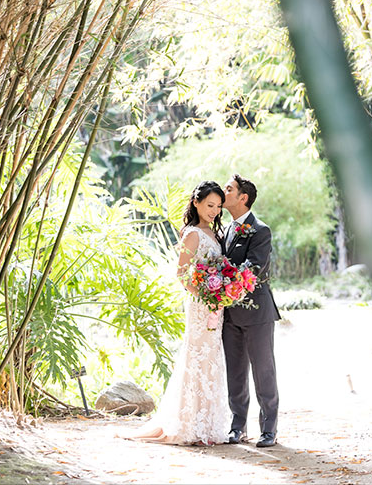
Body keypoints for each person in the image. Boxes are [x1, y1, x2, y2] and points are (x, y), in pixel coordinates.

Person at [120, 180, 231, 445]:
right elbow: (182, 275)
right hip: (201, 305)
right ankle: (189, 425)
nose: (214, 211)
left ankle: (208, 425)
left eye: (218, 206)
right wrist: (207, 296)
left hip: (216, 305)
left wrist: (223, 293)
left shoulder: (217, 234)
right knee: (197, 358)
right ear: (196, 202)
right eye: (209, 205)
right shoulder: (192, 233)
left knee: (212, 360)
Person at [222, 174, 280, 447]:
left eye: (229, 189)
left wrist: (220, 282)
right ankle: (238, 427)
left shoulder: (260, 230)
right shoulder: (226, 229)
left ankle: (268, 430)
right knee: (235, 371)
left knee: (263, 371)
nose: (224, 192)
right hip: (228, 313)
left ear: (243, 198)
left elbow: (253, 269)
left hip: (256, 312)